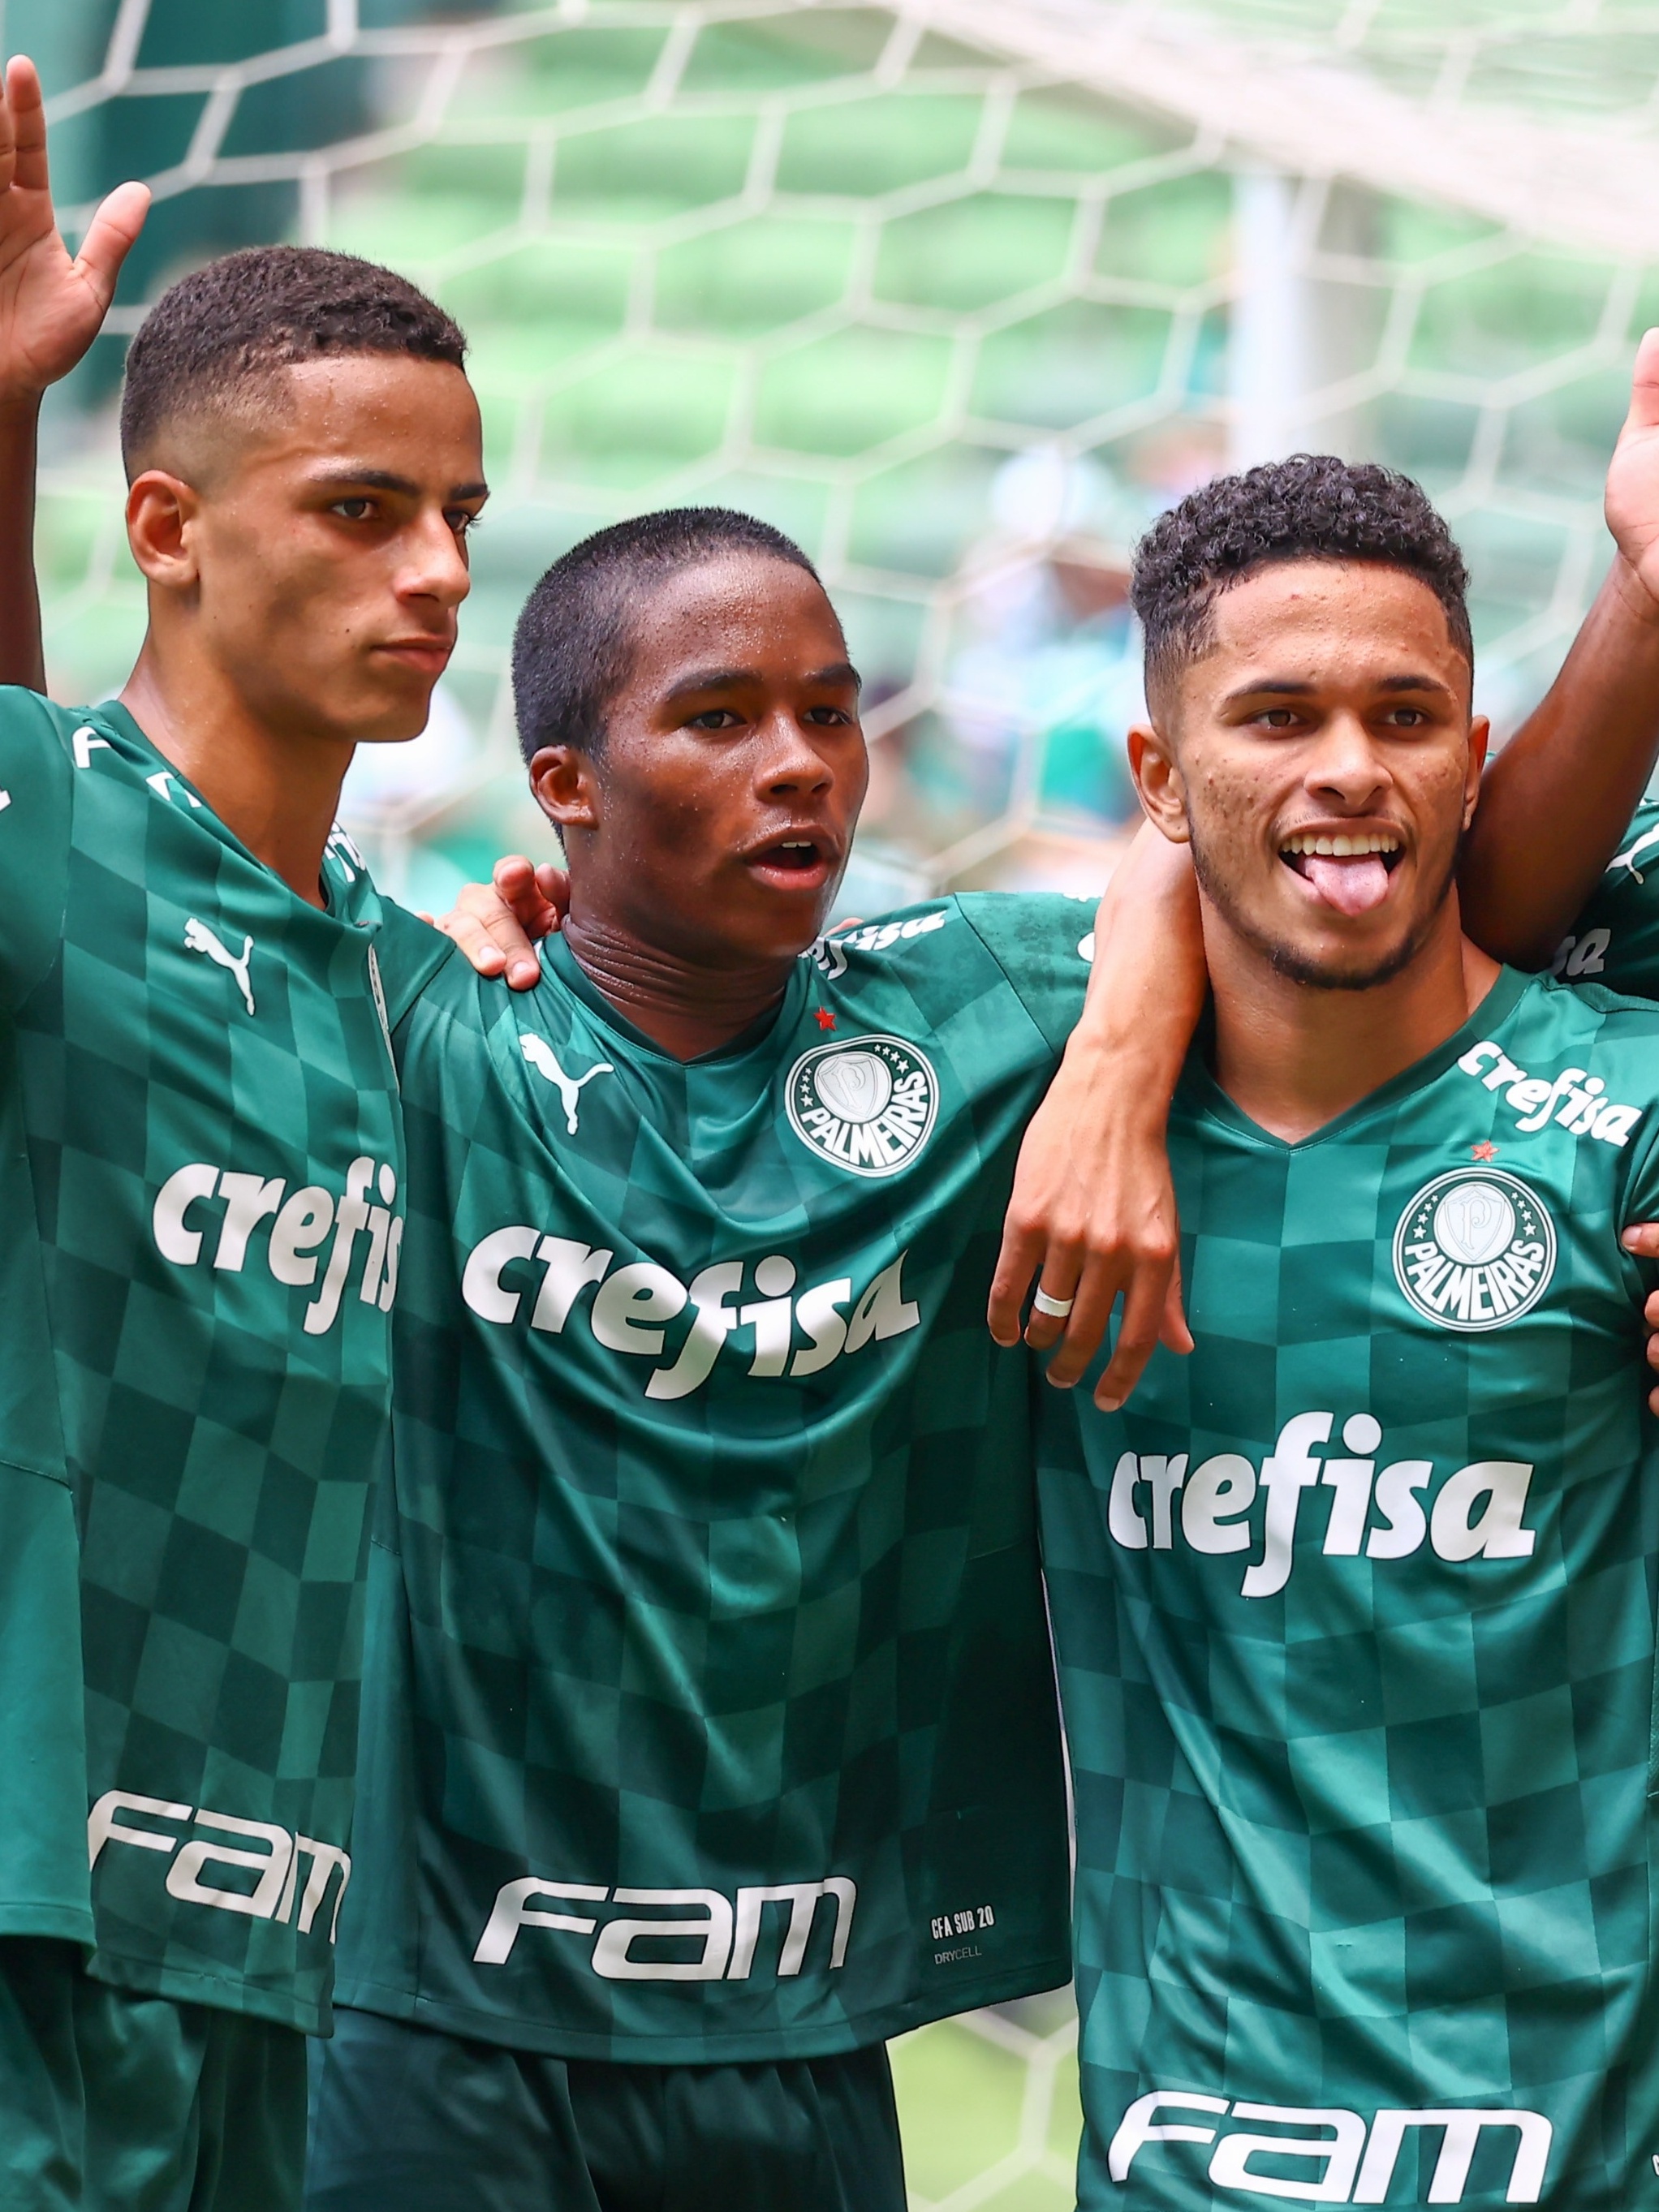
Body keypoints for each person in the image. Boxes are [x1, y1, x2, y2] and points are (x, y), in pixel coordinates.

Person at [1038, 456, 1659, 2206]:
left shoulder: (1619, 1110)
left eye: (1402, 715)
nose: (1344, 769)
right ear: (1154, 774)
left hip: (1584, 2148)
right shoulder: (1018, 1095)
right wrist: (519, 929)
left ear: (1473, 758)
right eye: (1276, 715)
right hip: (1183, 2156)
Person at [0, 58, 487, 2211]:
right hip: (28, 1926)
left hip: (263, 1953)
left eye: (462, 512)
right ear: (168, 529)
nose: (441, 569)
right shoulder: (58, 837)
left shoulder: (398, 976)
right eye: (365, 509)